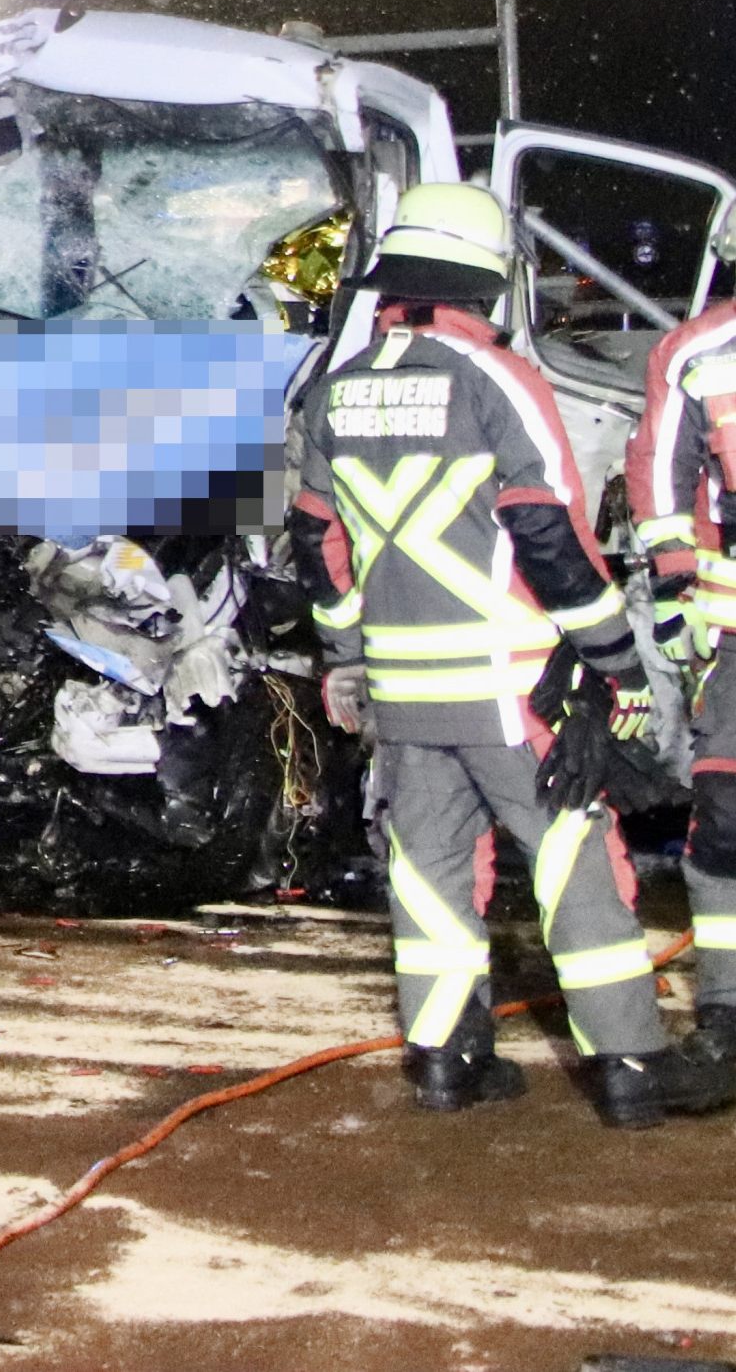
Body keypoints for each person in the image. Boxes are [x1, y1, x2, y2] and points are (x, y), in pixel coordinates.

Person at [289, 182, 735, 1128]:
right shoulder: (498, 379)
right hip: (510, 683)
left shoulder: (336, 390)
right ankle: (628, 1067)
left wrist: (341, 660)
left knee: (429, 871)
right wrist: (612, 656)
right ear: (485, 282)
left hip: (402, 692)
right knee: (574, 860)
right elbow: (549, 531)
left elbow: (316, 541)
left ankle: (446, 1058)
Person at [626, 197, 736, 1064]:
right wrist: (673, 590)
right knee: (726, 818)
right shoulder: (698, 350)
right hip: (734, 636)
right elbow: (662, 483)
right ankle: (728, 1012)